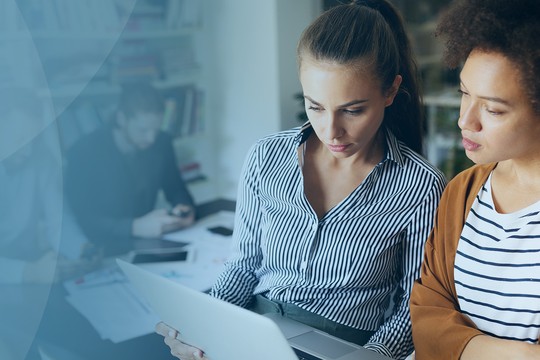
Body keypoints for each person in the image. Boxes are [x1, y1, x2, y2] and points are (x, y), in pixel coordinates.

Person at [156, 1, 446, 359]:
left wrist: (376, 354)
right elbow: (244, 266)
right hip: (252, 330)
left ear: (390, 92)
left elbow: (412, 305)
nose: (331, 131)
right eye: (315, 106)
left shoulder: (419, 185)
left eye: (352, 110)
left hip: (343, 347)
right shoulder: (266, 157)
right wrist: (203, 325)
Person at [409, 0, 540, 359]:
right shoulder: (463, 192)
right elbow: (428, 308)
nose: (465, 121)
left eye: (493, 109)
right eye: (464, 93)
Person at [65, 83, 195, 256]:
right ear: (121, 119)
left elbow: (175, 187)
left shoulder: (162, 142)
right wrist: (134, 226)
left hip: (147, 243)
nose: (151, 138)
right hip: (102, 247)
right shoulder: (84, 151)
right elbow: (83, 217)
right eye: (143, 130)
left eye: (156, 130)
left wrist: (183, 208)